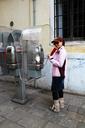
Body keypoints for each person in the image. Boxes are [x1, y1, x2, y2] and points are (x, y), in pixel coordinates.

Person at [48, 37, 67, 112]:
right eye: (54, 43)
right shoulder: (58, 50)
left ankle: (56, 107)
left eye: (57, 42)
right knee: (59, 89)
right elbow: (53, 57)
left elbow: (60, 64)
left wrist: (51, 59)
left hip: (58, 74)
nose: (55, 44)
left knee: (54, 90)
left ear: (62, 42)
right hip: (59, 74)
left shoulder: (62, 51)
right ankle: (61, 104)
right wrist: (51, 57)